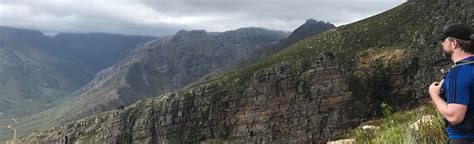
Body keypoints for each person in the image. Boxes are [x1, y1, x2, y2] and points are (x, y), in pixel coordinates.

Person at [429, 24, 474, 144]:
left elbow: (455, 117)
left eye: (444, 40)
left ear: (454, 43)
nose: (442, 44)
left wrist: (434, 94)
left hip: (464, 139)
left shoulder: (459, 73)